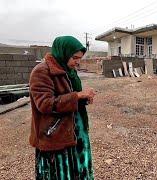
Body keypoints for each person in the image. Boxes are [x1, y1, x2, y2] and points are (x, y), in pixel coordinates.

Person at [29, 36, 96, 179]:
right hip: (54, 135)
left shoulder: (69, 71)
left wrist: (83, 99)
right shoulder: (41, 72)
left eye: (80, 58)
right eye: (74, 57)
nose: (77, 62)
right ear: (63, 53)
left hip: (75, 130)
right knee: (60, 173)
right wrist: (77, 96)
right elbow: (45, 104)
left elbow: (71, 97)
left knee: (76, 170)